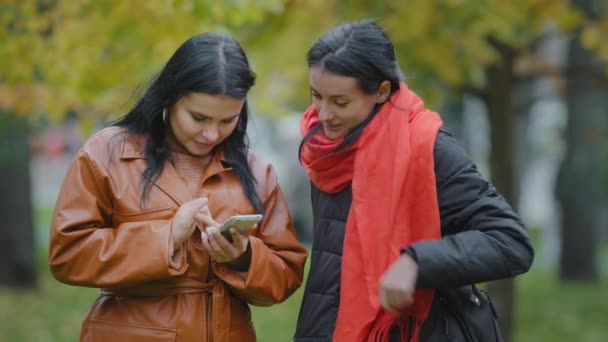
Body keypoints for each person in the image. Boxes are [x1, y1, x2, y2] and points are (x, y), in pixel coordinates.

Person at [49, 32, 308, 342]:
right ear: (170, 97)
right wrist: (166, 237)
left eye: (228, 120)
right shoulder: (108, 153)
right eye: (198, 117)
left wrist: (243, 256)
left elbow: (288, 273)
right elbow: (68, 253)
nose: (212, 134)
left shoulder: (255, 171)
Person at [293, 19, 534, 342]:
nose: (323, 114)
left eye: (340, 102)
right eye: (316, 96)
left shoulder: (427, 149)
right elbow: (330, 270)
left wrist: (417, 261)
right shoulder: (324, 150)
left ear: (381, 91)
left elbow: (510, 241)